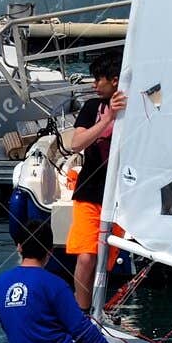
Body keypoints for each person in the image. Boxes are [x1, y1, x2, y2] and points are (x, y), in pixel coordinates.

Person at [0, 225, 145, 343]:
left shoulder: (0, 283)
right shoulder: (54, 284)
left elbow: (10, 325)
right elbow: (82, 329)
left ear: (19, 247)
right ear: (50, 250)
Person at [65, 56, 125, 312]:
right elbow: (76, 144)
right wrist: (107, 120)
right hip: (89, 193)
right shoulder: (92, 108)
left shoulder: (138, 109)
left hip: (121, 196)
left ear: (114, 81)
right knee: (86, 256)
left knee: (106, 260)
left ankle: (100, 310)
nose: (93, 85)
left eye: (98, 79)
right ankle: (81, 312)